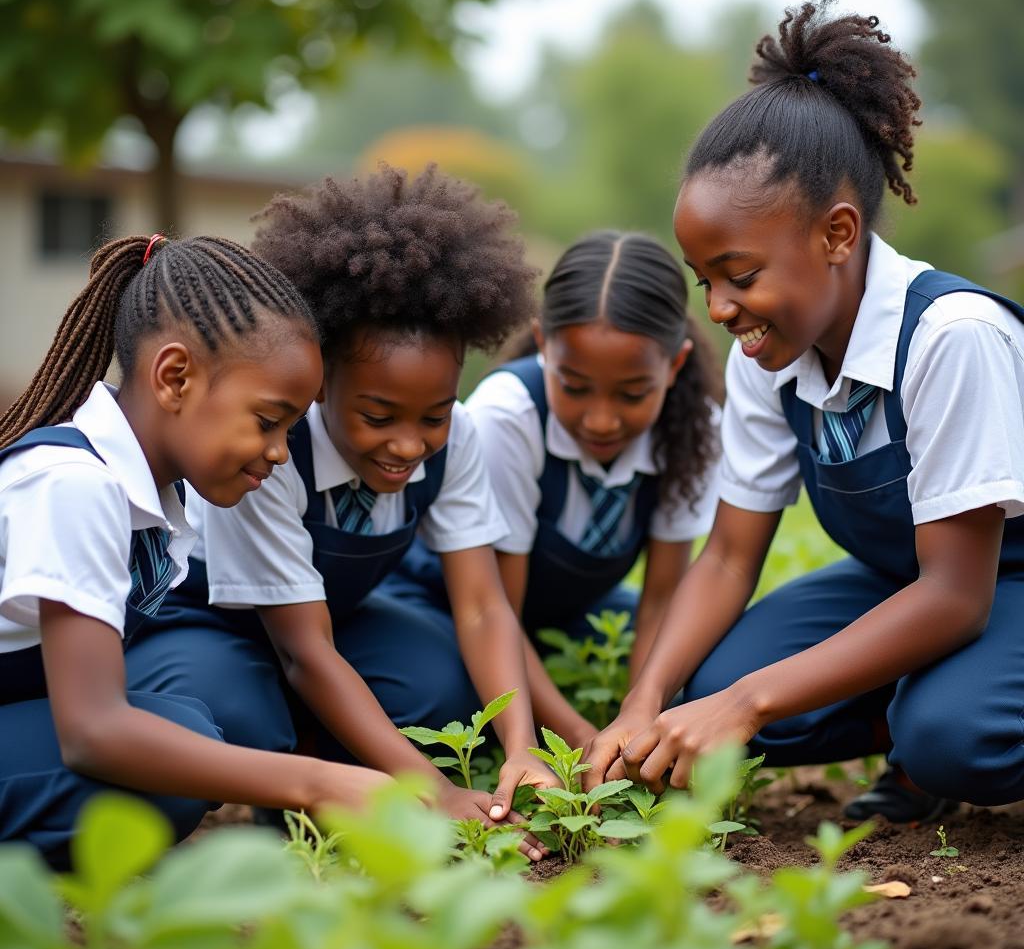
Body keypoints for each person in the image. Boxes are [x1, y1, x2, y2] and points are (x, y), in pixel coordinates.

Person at [584, 0, 1024, 823]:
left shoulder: (950, 339)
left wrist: (750, 703)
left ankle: (935, 736)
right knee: (708, 687)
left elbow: (958, 597)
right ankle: (927, 696)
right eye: (701, 278)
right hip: (913, 584)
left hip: (993, 584)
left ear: (837, 234)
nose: (718, 308)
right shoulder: (775, 349)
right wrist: (646, 698)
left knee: (951, 737)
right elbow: (725, 559)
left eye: (739, 275)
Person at [130, 166, 556, 852]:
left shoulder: (460, 440)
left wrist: (523, 747)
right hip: (213, 624)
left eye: (434, 415)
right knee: (240, 717)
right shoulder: (267, 451)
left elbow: (481, 606)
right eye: (379, 415)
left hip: (332, 622)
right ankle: (295, 795)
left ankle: (339, 774)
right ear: (321, 379)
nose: (410, 444)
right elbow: (304, 653)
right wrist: (434, 793)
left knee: (445, 690)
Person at [0, 233, 390, 869]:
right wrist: (320, 783)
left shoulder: (154, 497)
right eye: (268, 420)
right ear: (175, 377)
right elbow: (93, 731)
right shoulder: (72, 486)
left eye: (291, 430)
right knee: (162, 767)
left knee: (184, 726)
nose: (279, 451)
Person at [388, 231, 721, 747]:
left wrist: (639, 720)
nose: (602, 419)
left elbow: (661, 601)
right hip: (458, 608)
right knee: (444, 694)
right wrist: (579, 736)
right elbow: (497, 610)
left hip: (565, 617)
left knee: (703, 656)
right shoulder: (507, 416)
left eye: (633, 393)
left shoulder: (694, 429)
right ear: (545, 346)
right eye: (574, 386)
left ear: (674, 366)